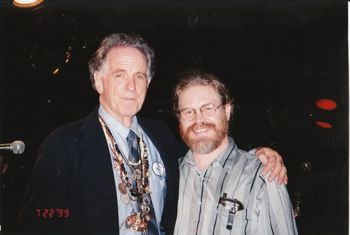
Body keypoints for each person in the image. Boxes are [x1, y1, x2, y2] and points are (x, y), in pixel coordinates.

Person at [17, 33, 287, 235]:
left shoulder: (162, 138)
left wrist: (259, 155)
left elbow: (208, 148)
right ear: (99, 81)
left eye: (140, 76)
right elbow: (40, 218)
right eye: (120, 75)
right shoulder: (65, 144)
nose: (131, 87)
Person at [173, 71, 298, 235]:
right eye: (188, 111)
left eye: (208, 108)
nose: (198, 120)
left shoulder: (264, 176)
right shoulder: (170, 175)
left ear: (227, 111)